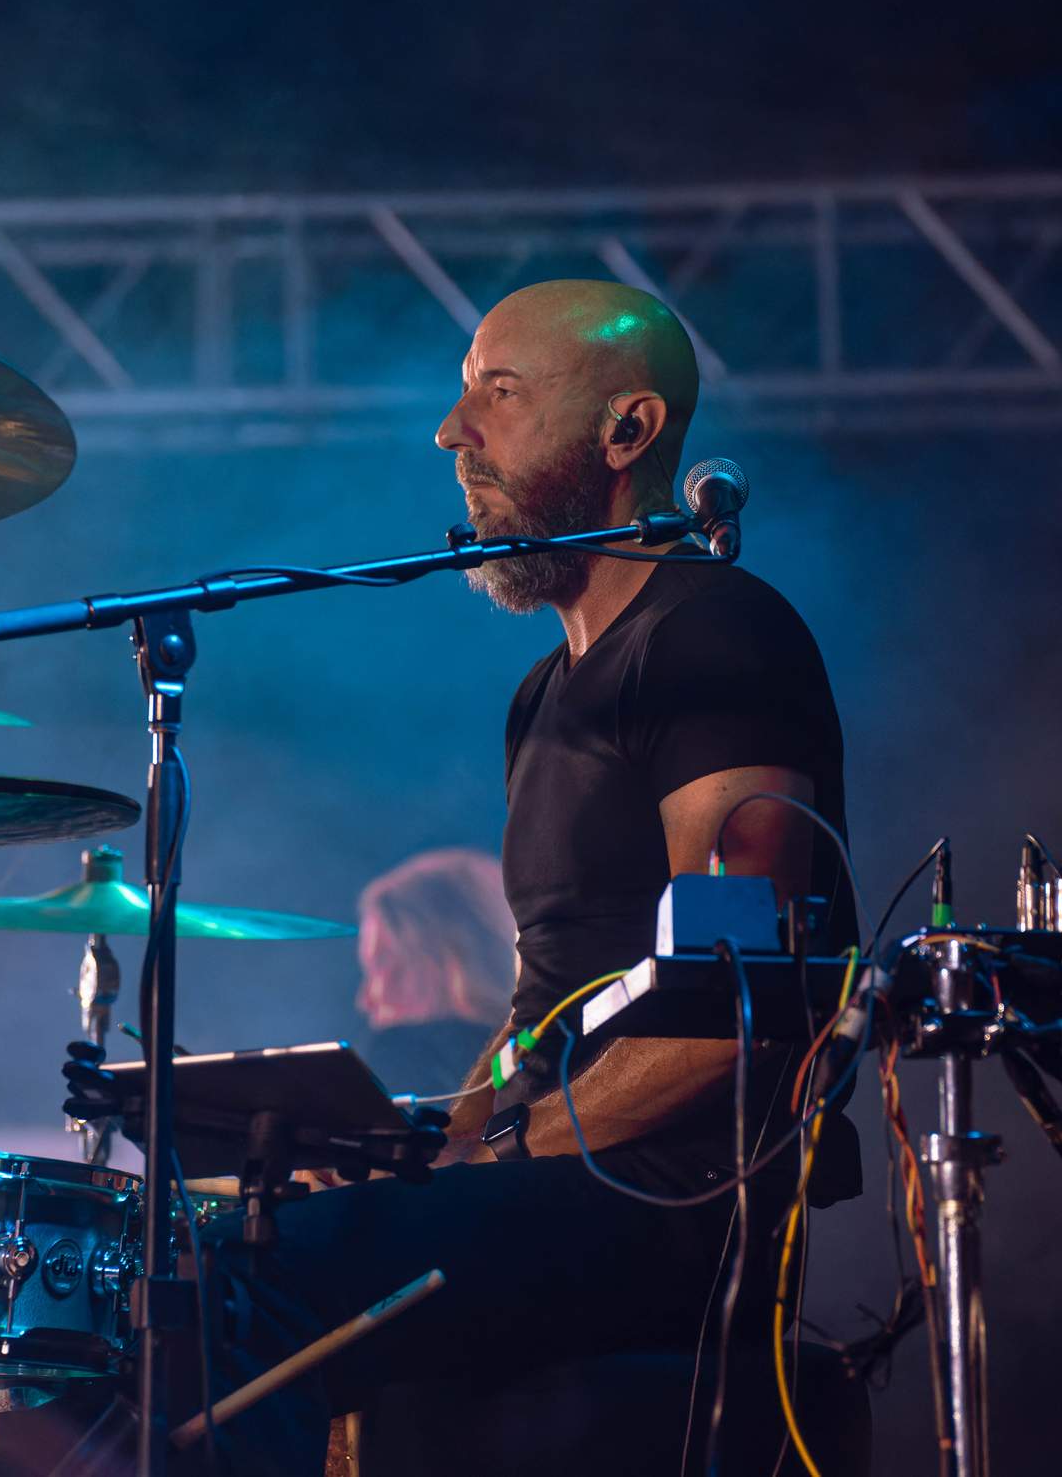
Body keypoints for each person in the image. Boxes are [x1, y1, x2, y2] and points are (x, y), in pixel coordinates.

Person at [192, 279, 857, 1476]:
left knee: (258, 1270)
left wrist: (509, 1149)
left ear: (626, 432)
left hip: (671, 1201)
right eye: (460, 397)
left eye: (498, 394)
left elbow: (740, 1004)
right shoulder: (542, 696)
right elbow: (539, 1004)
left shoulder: (712, 638)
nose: (452, 433)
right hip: (565, 1176)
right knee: (217, 1235)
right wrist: (429, 1136)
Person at [352, 847, 515, 1101]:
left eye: (380, 966)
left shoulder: (406, 1049)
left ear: (447, 961)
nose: (365, 1000)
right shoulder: (545, 1056)